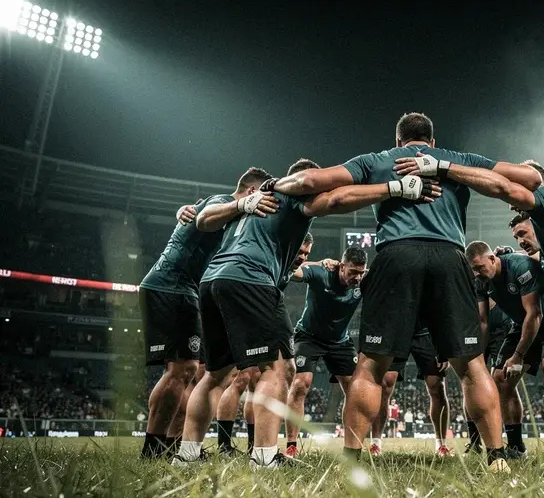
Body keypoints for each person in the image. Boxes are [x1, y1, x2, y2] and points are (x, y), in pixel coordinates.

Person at [260, 112, 541, 471]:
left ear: (398, 141)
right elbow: (529, 178)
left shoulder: (378, 160)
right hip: (449, 257)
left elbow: (314, 183)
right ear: (432, 142)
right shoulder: (458, 159)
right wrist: (445, 167)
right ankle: (497, 457)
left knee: (369, 368)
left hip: (396, 256)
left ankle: (353, 461)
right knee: (472, 365)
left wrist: (277, 186)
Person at [173, 159, 439, 468]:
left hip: (212, 281)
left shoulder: (249, 201)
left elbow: (203, 221)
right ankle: (264, 458)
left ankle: (187, 454)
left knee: (214, 375)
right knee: (275, 369)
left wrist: (241, 205)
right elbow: (337, 200)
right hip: (251, 279)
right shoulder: (292, 197)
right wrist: (393, 188)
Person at [395, 155, 544, 467]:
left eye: (519, 185)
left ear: (531, 181)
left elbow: (500, 187)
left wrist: (443, 167)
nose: (514, 206)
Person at [137, 169, 278, 459]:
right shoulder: (222, 202)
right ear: (252, 192)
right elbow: (206, 215)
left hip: (184, 289)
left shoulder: (226, 214)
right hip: (171, 286)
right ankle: (153, 450)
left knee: (191, 371)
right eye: (263, 196)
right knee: (182, 369)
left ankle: (171, 446)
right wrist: (239, 205)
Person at [215, 234, 315, 456]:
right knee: (241, 377)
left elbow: (303, 266)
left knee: (255, 380)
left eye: (306, 253)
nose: (302, 257)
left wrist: (321, 263)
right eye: (299, 252)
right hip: (248, 306)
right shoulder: (271, 258)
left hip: (245, 301)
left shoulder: (287, 265)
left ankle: (253, 446)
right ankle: (225, 446)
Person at [466, 241, 544, 456]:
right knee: (500, 377)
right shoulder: (482, 281)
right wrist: (479, 355)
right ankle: (516, 447)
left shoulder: (520, 267)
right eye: (474, 269)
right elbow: (483, 321)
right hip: (522, 323)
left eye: (480, 267)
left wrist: (518, 355)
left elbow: (535, 314)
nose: (477, 273)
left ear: (492, 259)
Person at [284, 246, 367, 457]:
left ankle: (352, 448)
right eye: (353, 272)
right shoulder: (322, 273)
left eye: (361, 273)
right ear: (341, 266)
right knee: (300, 384)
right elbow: (291, 270)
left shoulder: (364, 282)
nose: (357, 278)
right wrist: (318, 262)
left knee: (355, 391)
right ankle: (291, 446)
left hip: (340, 341)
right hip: (308, 337)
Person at [372, 330, 452, 456]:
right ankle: (375, 444)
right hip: (398, 330)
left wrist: (444, 349)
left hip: (426, 330)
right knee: (385, 383)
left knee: (437, 385)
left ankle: (441, 445)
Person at [465, 299, 512, 453]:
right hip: (472, 323)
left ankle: (514, 444)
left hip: (500, 322)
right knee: (470, 379)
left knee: (502, 380)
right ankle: (474, 443)